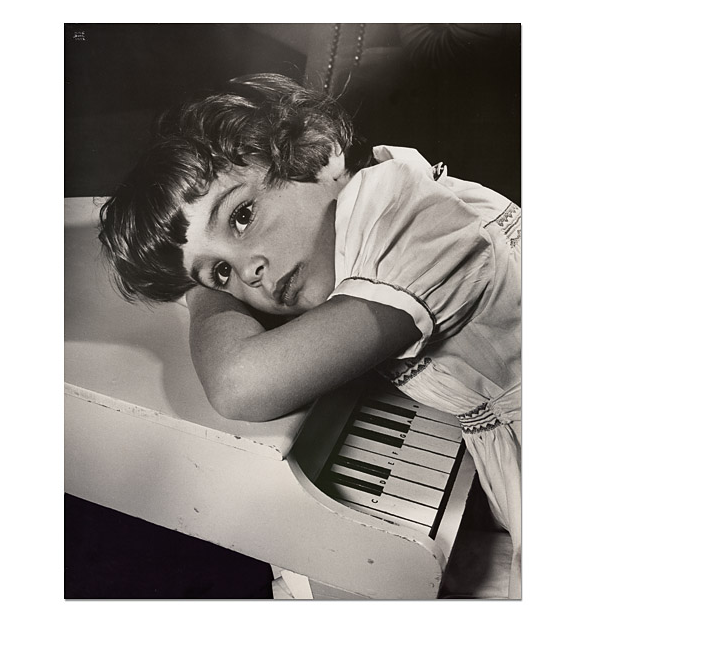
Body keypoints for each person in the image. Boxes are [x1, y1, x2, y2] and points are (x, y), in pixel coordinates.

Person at [97, 73, 521, 598]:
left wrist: (204, 293)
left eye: (242, 216)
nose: (248, 272)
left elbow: (239, 385)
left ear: (317, 153)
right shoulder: (386, 189)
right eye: (223, 272)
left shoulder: (408, 230)